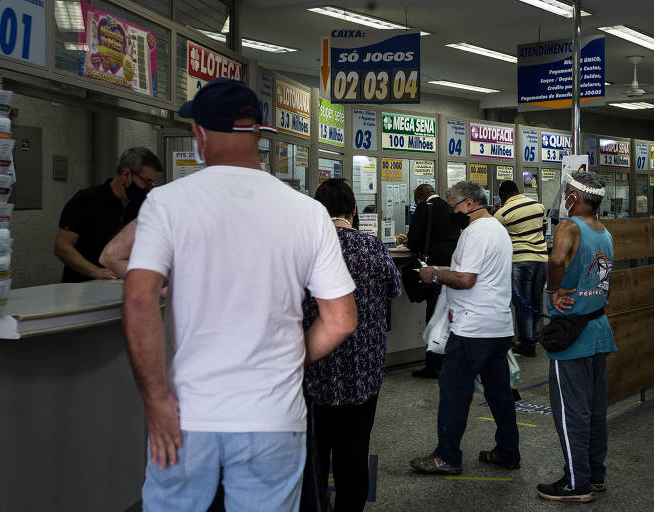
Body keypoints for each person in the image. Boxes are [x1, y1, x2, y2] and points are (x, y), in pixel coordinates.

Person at [122, 77, 357, 512]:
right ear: (259, 133)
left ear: (200, 133)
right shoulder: (308, 212)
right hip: (274, 417)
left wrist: (155, 401)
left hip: (186, 418)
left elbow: (139, 300)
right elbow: (341, 320)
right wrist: (289, 356)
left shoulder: (167, 203)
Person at [301, 179, 402, 512]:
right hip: (363, 373)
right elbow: (394, 288)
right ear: (354, 210)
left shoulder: (305, 246)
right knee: (354, 453)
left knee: (313, 456)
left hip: (315, 372)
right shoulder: (370, 246)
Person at [409, 181, 520, 475]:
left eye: (453, 206)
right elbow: (477, 275)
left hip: (473, 328)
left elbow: (467, 279)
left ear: (469, 204)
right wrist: (447, 271)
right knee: (499, 393)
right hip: (498, 326)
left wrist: (434, 275)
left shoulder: (475, 232)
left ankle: (446, 456)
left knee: (454, 390)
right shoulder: (497, 229)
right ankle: (508, 451)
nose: (451, 212)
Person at [536, 171, 616, 503]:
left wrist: (553, 289)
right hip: (598, 329)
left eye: (566, 191)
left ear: (575, 197)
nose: (563, 196)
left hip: (572, 334)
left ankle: (576, 482)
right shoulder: (604, 233)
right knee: (595, 410)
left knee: (571, 412)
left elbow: (556, 258)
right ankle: (595, 474)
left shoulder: (570, 226)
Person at [55, 147, 162, 282]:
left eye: (153, 183)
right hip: (81, 288)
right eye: (147, 181)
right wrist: (96, 272)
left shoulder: (142, 206)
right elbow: (62, 246)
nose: (149, 188)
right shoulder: (86, 200)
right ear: (126, 175)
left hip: (122, 286)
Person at [396, 183, 461, 378]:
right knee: (446, 314)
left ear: (419, 198)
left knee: (433, 314)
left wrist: (406, 241)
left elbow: (416, 240)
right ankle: (448, 359)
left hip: (434, 268)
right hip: (452, 266)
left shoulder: (425, 208)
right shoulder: (450, 207)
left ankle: (433, 364)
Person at [493, 180, 547, 357]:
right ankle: (534, 337)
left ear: (503, 195)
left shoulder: (502, 212)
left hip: (520, 260)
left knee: (522, 303)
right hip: (541, 259)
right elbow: (543, 229)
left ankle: (527, 343)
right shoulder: (539, 206)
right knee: (535, 300)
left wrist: (494, 213)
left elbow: (496, 237)